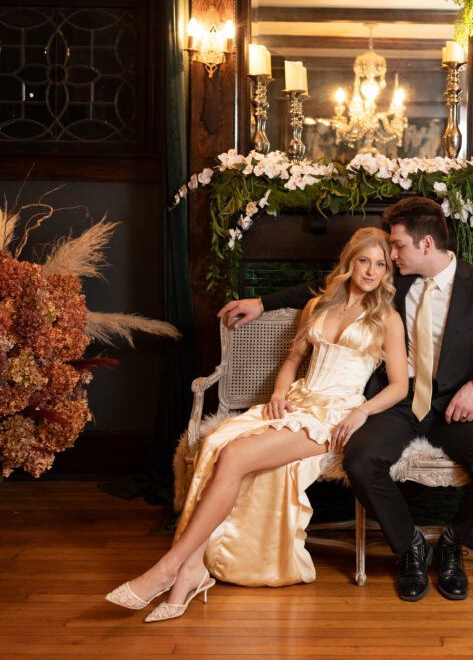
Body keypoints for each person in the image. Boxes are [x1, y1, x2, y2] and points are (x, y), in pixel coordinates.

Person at [221, 196, 473, 603]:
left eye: (397, 246)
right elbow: (324, 287)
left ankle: (455, 545)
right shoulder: (392, 278)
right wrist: (262, 303)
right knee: (361, 459)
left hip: (457, 404)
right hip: (396, 401)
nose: (388, 254)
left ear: (424, 245)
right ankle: (411, 547)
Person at [105, 227, 407, 622]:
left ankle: (167, 569)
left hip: (332, 416)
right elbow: (291, 363)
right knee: (215, 444)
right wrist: (280, 394)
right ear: (350, 261)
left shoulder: (388, 318)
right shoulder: (317, 306)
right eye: (364, 260)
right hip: (297, 401)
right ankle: (190, 573)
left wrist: (362, 411)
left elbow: (401, 386)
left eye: (380, 264)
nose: (370, 270)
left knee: (233, 453)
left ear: (387, 272)